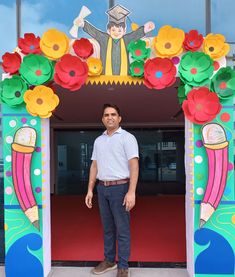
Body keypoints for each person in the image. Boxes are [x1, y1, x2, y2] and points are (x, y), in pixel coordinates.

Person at [85, 104, 139, 277]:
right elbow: (94, 165)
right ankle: (109, 261)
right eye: (106, 115)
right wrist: (90, 190)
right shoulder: (98, 140)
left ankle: (123, 266)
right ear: (102, 119)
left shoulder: (127, 138)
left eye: (113, 114)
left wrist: (131, 192)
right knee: (108, 228)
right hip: (102, 188)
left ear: (119, 118)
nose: (110, 117)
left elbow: (134, 165)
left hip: (120, 188)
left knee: (122, 229)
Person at [75, 4, 155, 75]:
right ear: (108, 31)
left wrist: (145, 28)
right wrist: (83, 24)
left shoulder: (126, 39)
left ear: (124, 31)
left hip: (124, 78)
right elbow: (95, 32)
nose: (116, 33)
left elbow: (135, 35)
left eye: (119, 30)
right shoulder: (104, 38)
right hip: (105, 77)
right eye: (113, 30)